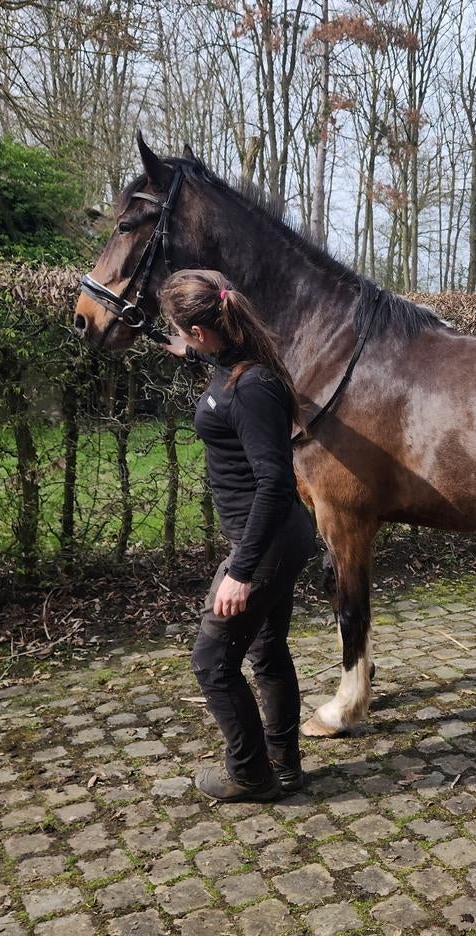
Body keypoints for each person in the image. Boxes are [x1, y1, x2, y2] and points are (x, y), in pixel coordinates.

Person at [158, 269, 316, 802]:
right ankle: (284, 764)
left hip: (265, 539)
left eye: (182, 331)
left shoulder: (248, 388)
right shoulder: (235, 363)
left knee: (212, 662)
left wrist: (241, 572)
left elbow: (274, 482)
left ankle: (249, 772)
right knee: (267, 649)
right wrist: (176, 344)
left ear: (203, 330)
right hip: (275, 534)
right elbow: (210, 362)